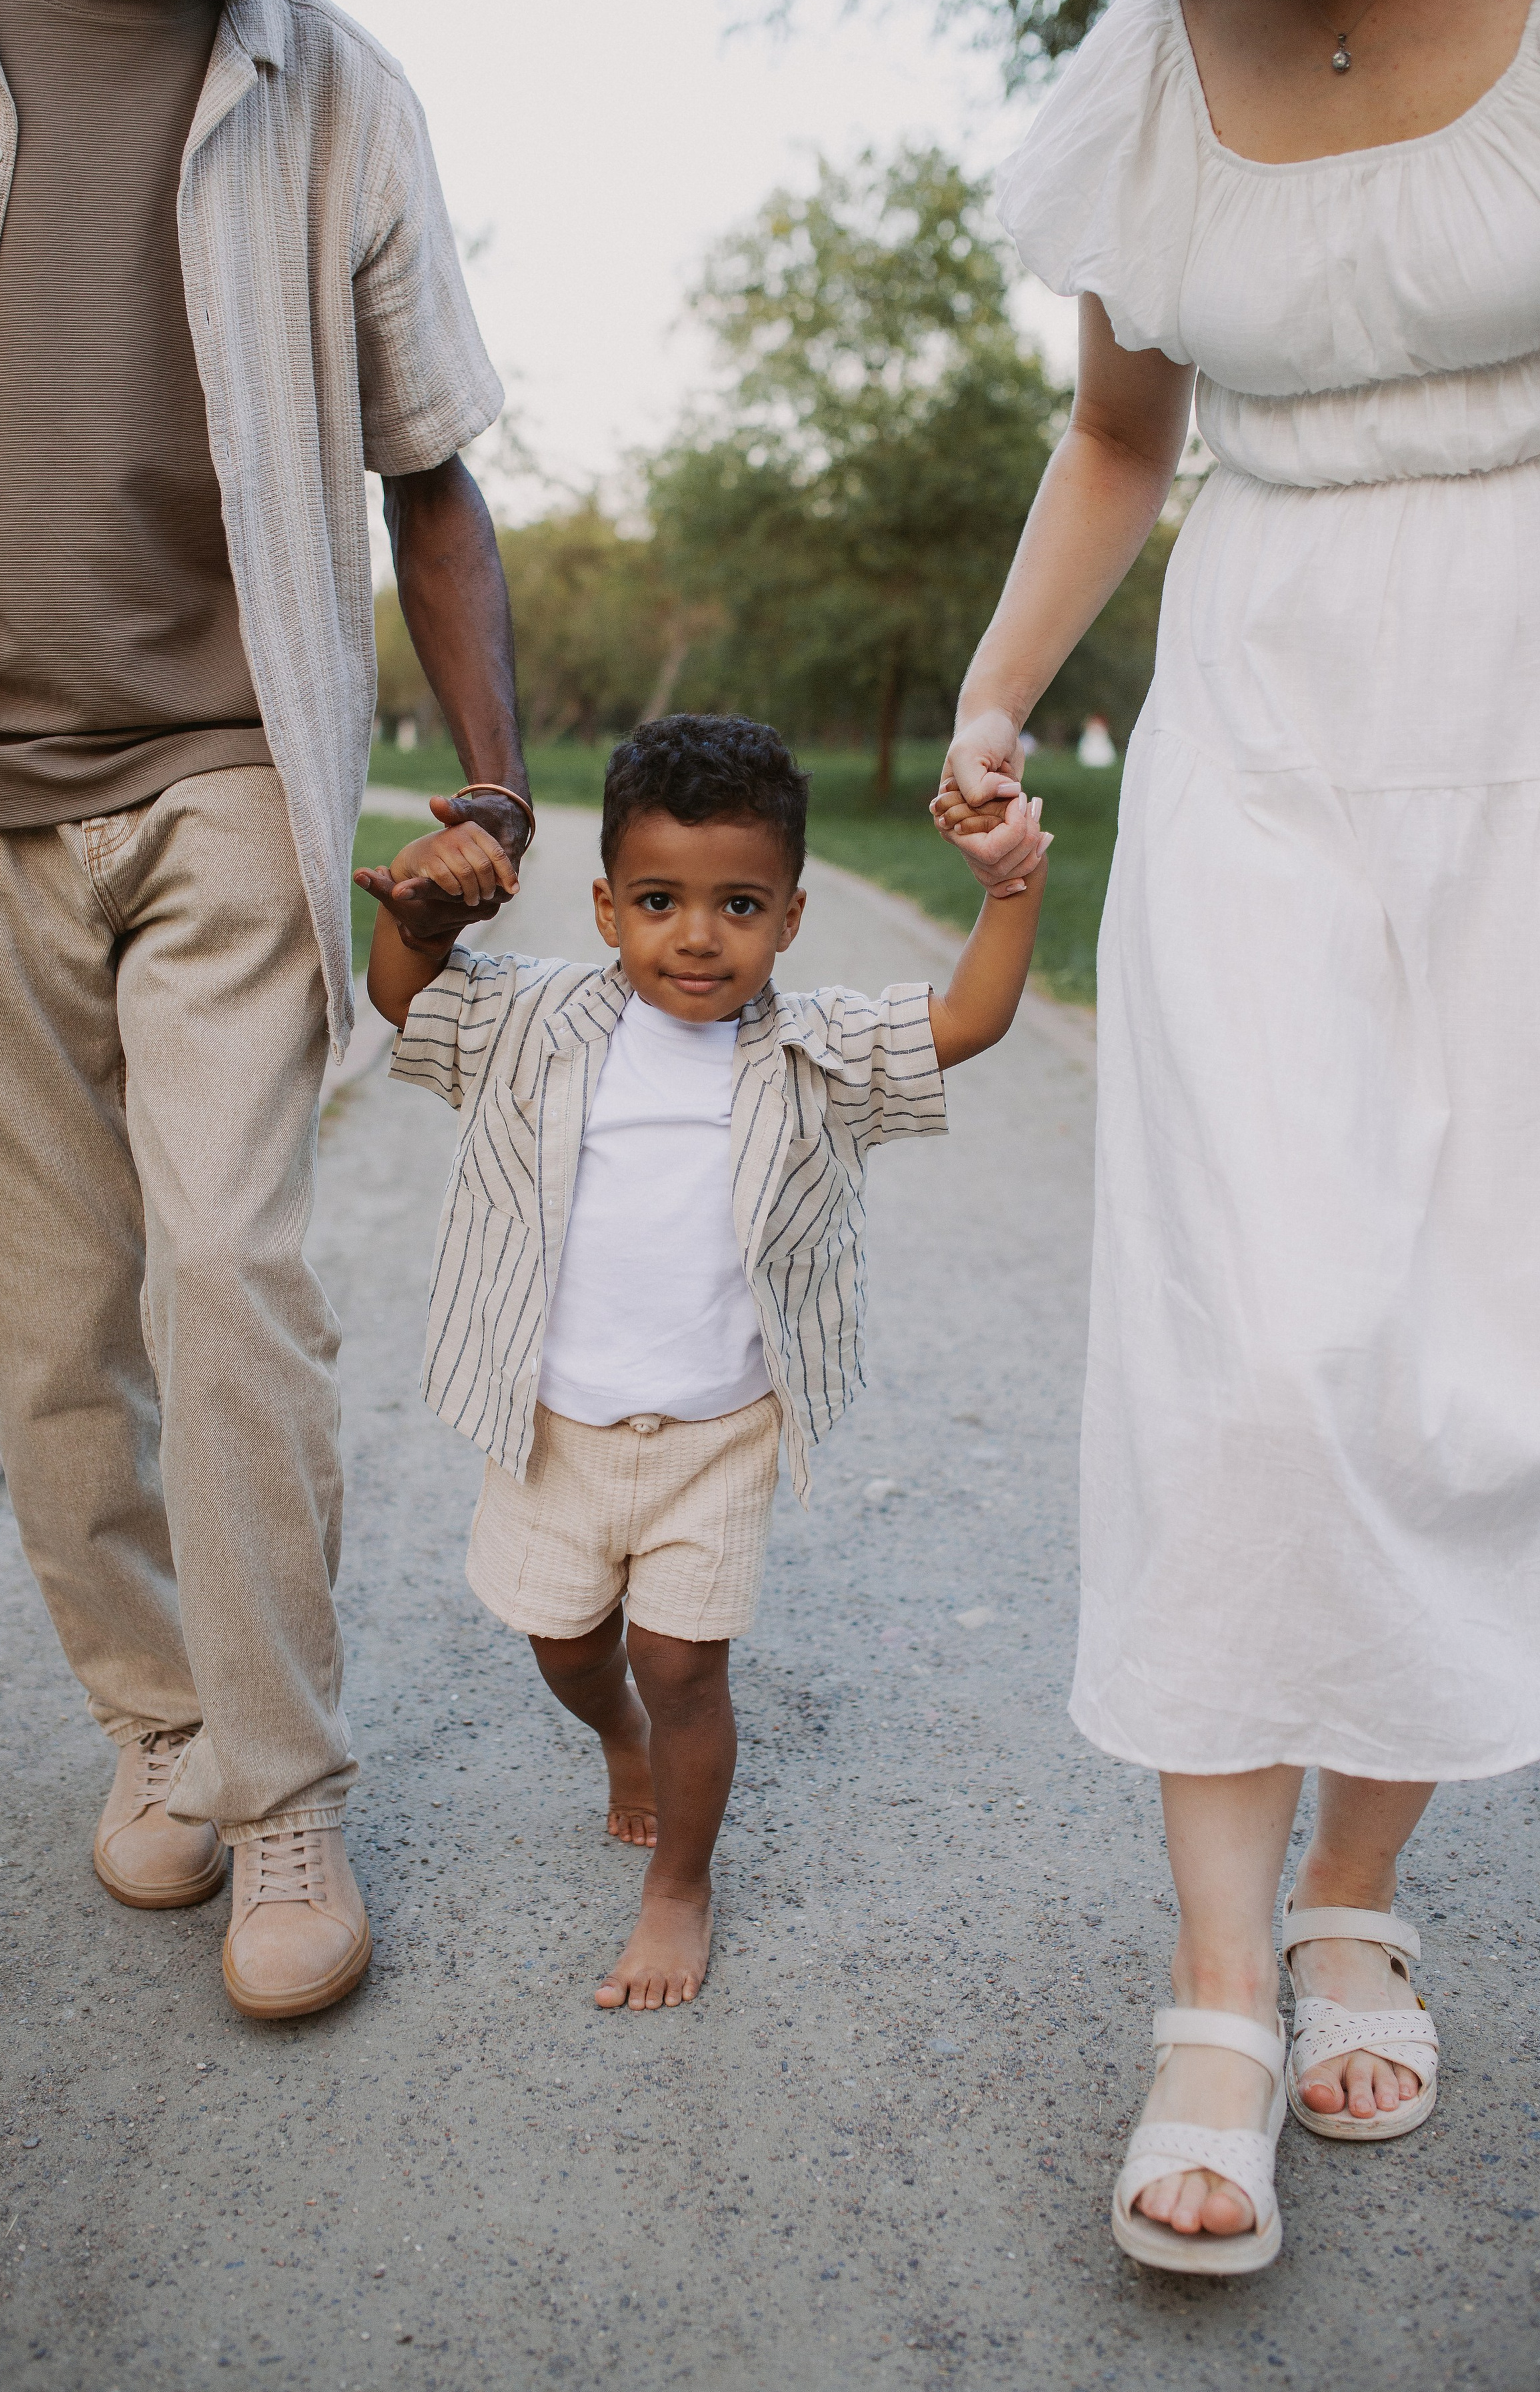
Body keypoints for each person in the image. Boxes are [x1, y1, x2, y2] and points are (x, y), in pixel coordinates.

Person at [934, 0, 1540, 2275]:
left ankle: (1354, 1901)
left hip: (1538, 727)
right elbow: (1123, 436)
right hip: (1268, 730)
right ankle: (1211, 1989)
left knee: (1477, 1354)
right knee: (1254, 1358)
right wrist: (997, 695)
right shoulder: (1147, 64)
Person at [0, 0, 531, 2018]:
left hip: (229, 772)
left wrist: (490, 780)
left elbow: (431, 470)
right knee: (48, 1331)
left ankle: (282, 1788)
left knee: (229, 1274)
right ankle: (154, 1720)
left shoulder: (336, 89)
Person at [355, 717, 1049, 2008]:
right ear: (607, 905)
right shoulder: (534, 1022)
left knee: (683, 1665)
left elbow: (962, 1018)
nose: (696, 937)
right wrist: (422, 919)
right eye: (661, 902)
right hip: (551, 1427)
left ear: (788, 917)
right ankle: (614, 1734)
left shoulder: (812, 1053)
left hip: (715, 1435)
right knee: (565, 1645)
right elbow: (407, 999)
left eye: (737, 905)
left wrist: (1010, 888)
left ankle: (678, 1884)